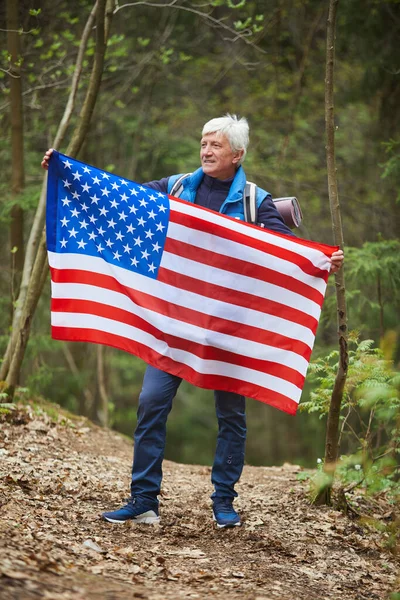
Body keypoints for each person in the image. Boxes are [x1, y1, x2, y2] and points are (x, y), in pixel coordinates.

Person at [42, 114, 344, 528]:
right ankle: (144, 499)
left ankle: (224, 502)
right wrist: (69, 173)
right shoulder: (177, 187)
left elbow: (286, 253)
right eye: (203, 142)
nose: (205, 151)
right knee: (151, 404)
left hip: (226, 331)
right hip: (172, 323)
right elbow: (122, 199)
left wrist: (322, 261)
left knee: (231, 416)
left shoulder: (258, 202)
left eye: (215, 145)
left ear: (237, 155)